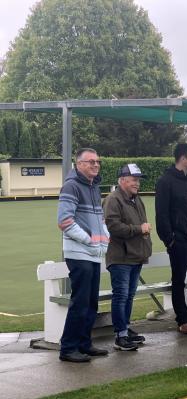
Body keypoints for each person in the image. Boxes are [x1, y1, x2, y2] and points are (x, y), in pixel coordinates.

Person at [57, 148, 110, 362]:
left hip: (93, 253)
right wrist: (90, 240)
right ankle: (68, 348)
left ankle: (84, 344)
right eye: (90, 162)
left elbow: (100, 219)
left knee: (90, 302)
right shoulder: (71, 186)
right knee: (80, 302)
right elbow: (65, 222)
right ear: (78, 164)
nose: (95, 165)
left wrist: (103, 237)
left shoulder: (93, 187)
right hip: (79, 253)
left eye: (97, 161)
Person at [155, 143, 187, 334]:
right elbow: (161, 214)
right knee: (179, 280)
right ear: (183, 158)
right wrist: (170, 240)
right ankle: (182, 319)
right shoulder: (165, 181)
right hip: (178, 240)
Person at [103, 163, 152, 351]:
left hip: (135, 255)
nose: (137, 183)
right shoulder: (113, 199)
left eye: (138, 180)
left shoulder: (136, 199)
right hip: (120, 256)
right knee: (121, 296)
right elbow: (113, 226)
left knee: (129, 295)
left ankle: (125, 328)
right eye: (133, 180)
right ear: (122, 180)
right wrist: (139, 229)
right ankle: (120, 335)